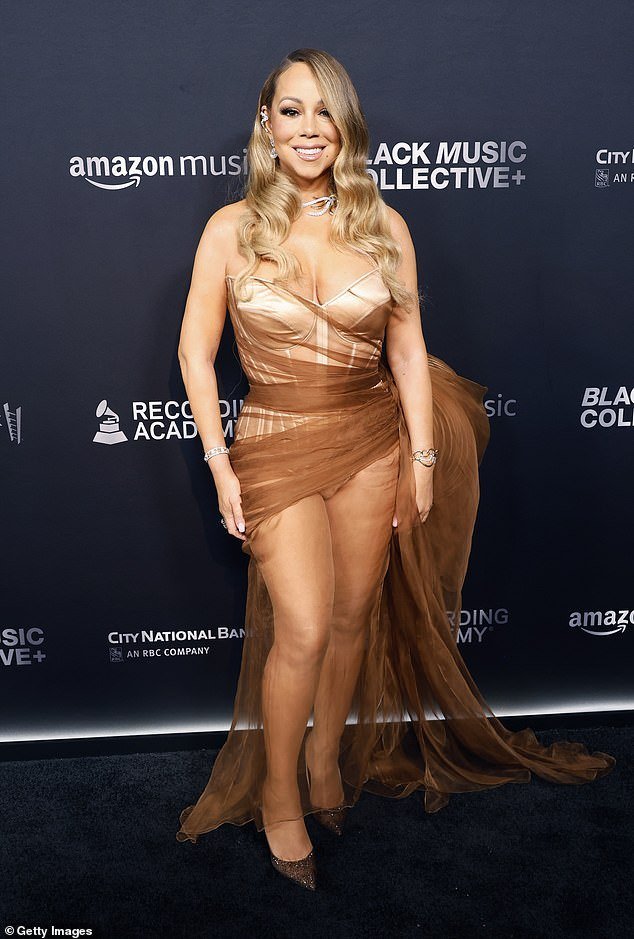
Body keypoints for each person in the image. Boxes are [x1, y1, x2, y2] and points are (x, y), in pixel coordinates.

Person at [175, 48, 615, 891]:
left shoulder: (383, 224)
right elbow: (196, 354)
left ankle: (324, 756)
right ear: (266, 123)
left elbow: (408, 352)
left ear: (347, 126)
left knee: (350, 618)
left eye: (326, 112)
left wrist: (422, 458)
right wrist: (221, 466)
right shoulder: (230, 228)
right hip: (274, 440)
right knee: (302, 627)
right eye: (292, 110)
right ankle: (278, 794)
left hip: (372, 439)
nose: (310, 129)